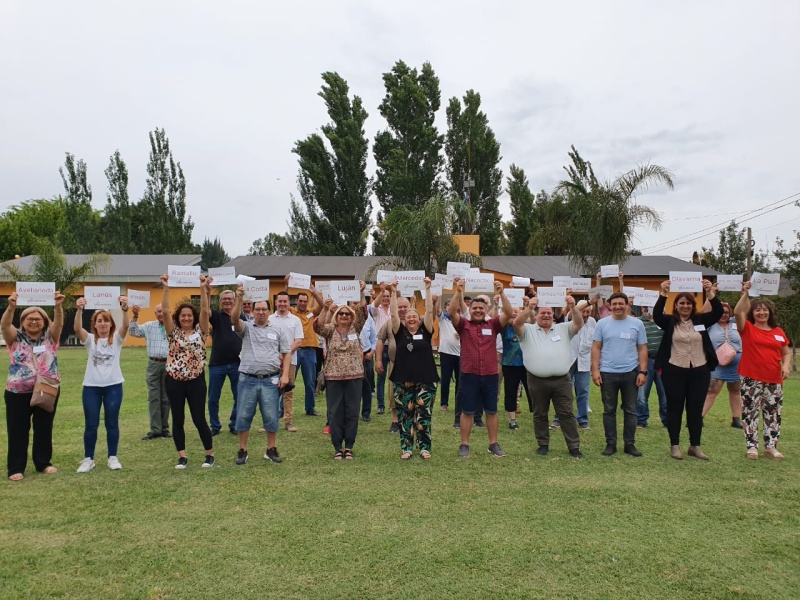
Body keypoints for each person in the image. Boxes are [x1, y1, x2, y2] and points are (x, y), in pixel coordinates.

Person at [653, 280, 722, 460]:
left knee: (695, 409)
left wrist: (710, 292)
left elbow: (718, 312)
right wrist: (664, 293)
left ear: (693, 305)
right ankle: (675, 445)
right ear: (676, 305)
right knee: (674, 408)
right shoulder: (670, 321)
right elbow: (657, 315)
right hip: (674, 369)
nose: (685, 306)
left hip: (699, 370)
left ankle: (695, 446)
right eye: (682, 303)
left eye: (689, 303)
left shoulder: (701, 320)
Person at [2, 290, 65, 481]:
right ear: (23, 321)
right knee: (17, 429)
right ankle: (16, 467)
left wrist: (58, 307)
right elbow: (5, 325)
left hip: (46, 388)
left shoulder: (50, 337)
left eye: (38, 319)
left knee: (44, 427)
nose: (34, 322)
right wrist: (11, 307)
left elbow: (59, 323)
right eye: (30, 318)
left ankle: (43, 463)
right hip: (17, 392)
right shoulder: (15, 337)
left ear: (44, 322)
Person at [449, 277, 513, 458]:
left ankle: (493, 444)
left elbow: (508, 313)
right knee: (467, 411)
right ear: (469, 310)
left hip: (490, 374)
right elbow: (452, 311)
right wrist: (458, 291)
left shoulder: (493, 324)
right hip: (469, 374)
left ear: (486, 310)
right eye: (474, 308)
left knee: (491, 411)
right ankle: (464, 444)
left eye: (481, 308)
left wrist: (501, 292)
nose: (478, 310)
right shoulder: (463, 325)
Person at [514, 293, 584, 458]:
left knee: (566, 414)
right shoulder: (527, 330)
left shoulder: (563, 328)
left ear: (553, 315)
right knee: (540, 413)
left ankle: (574, 446)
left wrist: (573, 307)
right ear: (536, 315)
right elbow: (517, 323)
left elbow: (579, 323)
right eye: (542, 313)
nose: (546, 315)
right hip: (537, 380)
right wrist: (529, 308)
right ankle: (543, 444)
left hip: (562, 380)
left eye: (549, 313)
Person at [230, 285, 291, 465]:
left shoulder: (278, 330)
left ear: (269, 311)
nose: (261, 312)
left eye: (264, 309)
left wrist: (285, 375)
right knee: (243, 415)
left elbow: (287, 353)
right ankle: (242, 450)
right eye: (257, 309)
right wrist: (239, 298)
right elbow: (234, 319)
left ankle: (271, 450)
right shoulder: (246, 327)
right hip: (247, 379)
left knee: (271, 416)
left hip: (270, 380)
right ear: (252, 311)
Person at [161, 273, 215, 469]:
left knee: (199, 418)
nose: (186, 318)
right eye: (183, 315)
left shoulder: (202, 331)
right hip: (174, 381)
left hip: (196, 381)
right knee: (178, 419)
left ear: (194, 317)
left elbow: (205, 310)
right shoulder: (172, 332)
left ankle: (209, 455)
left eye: (189, 315)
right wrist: (166, 288)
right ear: (178, 317)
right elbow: (165, 311)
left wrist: (202, 288)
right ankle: (182, 457)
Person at [734, 282, 791, 460]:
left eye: (765, 310)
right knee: (750, 411)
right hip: (751, 376)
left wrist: (786, 365)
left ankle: (771, 447)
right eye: (757, 310)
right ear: (752, 313)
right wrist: (746, 294)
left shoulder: (778, 331)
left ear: (770, 313)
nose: (761, 313)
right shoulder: (747, 329)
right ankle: (752, 446)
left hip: (774, 378)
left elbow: (786, 352)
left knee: (773, 412)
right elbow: (737, 312)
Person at [73, 295, 131, 472]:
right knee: (91, 424)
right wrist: (79, 310)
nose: (103, 324)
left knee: (111, 423)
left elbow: (126, 326)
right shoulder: (90, 340)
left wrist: (125, 309)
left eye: (106, 320)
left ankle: (112, 457)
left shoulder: (117, 339)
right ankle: (88, 459)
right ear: (95, 324)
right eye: (99, 321)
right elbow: (77, 329)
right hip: (91, 388)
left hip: (113, 387)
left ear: (111, 324)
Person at [314, 281, 368, 460]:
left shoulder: (355, 327)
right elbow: (317, 326)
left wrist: (361, 292)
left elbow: (363, 313)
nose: (344, 316)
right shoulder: (330, 330)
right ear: (336, 316)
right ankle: (338, 447)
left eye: (347, 314)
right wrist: (325, 308)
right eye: (341, 313)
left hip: (354, 377)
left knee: (352, 412)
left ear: (351, 317)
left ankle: (349, 447)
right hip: (333, 378)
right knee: (335, 413)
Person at [591, 292, 648, 457]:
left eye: (621, 303)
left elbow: (642, 348)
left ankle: (629, 444)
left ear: (627, 305)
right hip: (607, 373)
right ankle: (611, 444)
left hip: (631, 373)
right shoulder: (602, 324)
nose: (617, 307)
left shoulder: (637, 324)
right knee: (609, 410)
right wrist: (595, 370)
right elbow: (596, 347)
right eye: (614, 304)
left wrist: (643, 371)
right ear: (610, 305)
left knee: (630, 410)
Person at [389, 278, 438, 459]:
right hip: (403, 380)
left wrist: (427, 289)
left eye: (414, 316)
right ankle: (407, 448)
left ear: (419, 319)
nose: (411, 318)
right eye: (408, 316)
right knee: (405, 415)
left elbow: (430, 311)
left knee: (424, 414)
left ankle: (424, 447)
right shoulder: (399, 332)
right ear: (405, 319)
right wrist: (393, 292)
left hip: (426, 380)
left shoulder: (426, 330)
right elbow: (393, 314)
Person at [129, 303, 172, 440]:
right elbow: (133, 331)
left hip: (170, 364)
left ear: (169, 312)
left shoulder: (174, 326)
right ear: (155, 314)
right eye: (158, 311)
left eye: (163, 311)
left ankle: (165, 428)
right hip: (154, 364)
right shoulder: (149, 326)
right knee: (154, 397)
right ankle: (155, 429)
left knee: (166, 397)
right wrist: (135, 316)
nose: (161, 313)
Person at [283, 278, 324, 416]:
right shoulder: (292, 312)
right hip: (293, 351)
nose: (302, 303)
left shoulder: (312, 313)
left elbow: (322, 306)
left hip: (310, 351)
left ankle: (310, 409)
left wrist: (314, 293)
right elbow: (283, 301)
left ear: (307, 302)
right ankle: (282, 409)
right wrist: (287, 285)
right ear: (296, 301)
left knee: (310, 382)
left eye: (305, 301)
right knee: (287, 381)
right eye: (300, 301)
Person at [702, 301, 744, 429]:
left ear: (730, 313)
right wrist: (710, 296)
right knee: (711, 390)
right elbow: (703, 312)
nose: (723, 315)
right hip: (717, 364)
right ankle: (699, 417)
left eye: (726, 312)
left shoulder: (735, 323)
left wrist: (744, 296)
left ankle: (736, 419)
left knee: (735, 390)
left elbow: (742, 311)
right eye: (720, 312)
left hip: (736, 364)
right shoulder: (711, 324)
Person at [207, 289, 242, 435]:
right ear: (220, 301)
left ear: (234, 301)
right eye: (224, 299)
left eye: (230, 299)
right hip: (217, 364)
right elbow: (205, 310)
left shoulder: (240, 317)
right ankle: (215, 426)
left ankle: (234, 424)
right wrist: (206, 291)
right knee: (213, 398)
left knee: (239, 396)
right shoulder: (216, 316)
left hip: (237, 363)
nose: (227, 301)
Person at [375, 296, 412, 433]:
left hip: (413, 365)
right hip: (395, 364)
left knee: (412, 391)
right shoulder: (389, 323)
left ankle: (410, 419)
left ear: (409, 307)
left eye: (405, 306)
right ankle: (395, 421)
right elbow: (380, 340)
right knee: (393, 393)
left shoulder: (415, 322)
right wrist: (379, 360)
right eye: (399, 307)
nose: (402, 309)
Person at [269, 291, 304, 432]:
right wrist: (276, 354)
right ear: (276, 302)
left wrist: (285, 354)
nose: (282, 304)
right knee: (270, 391)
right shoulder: (269, 319)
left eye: (285, 301)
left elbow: (298, 341)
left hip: (291, 361)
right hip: (271, 361)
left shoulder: (295, 320)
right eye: (280, 301)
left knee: (288, 392)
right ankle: (269, 422)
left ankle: (288, 421)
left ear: (289, 303)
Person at [500, 299, 531, 430]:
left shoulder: (526, 327)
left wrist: (528, 306)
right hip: (509, 364)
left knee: (532, 391)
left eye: (516, 312)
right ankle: (512, 420)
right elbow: (496, 316)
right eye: (511, 312)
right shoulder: (504, 328)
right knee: (510, 392)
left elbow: (532, 319)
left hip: (528, 364)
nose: (513, 314)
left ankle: (538, 416)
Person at [635, 307, 668, 429]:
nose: (649, 309)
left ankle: (667, 420)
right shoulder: (638, 322)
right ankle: (641, 420)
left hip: (662, 362)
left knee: (665, 392)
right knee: (642, 393)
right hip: (645, 361)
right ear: (642, 308)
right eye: (646, 306)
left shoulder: (663, 321)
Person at [568, 299, 595, 429]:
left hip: (584, 360)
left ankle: (582, 419)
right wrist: (588, 302)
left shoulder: (593, 322)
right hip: (569, 360)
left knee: (583, 391)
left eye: (588, 311)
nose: (585, 314)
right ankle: (560, 418)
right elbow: (572, 312)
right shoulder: (570, 320)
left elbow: (594, 343)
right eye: (583, 311)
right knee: (564, 391)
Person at [437, 295, 465, 414]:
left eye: (452, 305)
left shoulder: (461, 320)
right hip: (446, 352)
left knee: (460, 379)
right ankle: (444, 404)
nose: (450, 307)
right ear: (445, 308)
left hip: (460, 353)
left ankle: (459, 404)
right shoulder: (443, 318)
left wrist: (462, 334)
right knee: (445, 379)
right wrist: (438, 295)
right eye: (448, 305)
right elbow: (437, 309)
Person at [370, 286, 393, 414]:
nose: (385, 298)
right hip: (381, 346)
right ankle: (381, 405)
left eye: (387, 296)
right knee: (381, 377)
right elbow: (374, 305)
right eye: (383, 296)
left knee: (395, 376)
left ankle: (394, 403)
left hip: (393, 345)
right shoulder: (376, 309)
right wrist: (382, 291)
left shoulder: (393, 309)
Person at [357, 301, 377, 422]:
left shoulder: (369, 319)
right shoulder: (347, 316)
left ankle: (366, 412)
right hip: (353, 356)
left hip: (366, 355)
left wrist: (372, 352)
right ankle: (353, 412)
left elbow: (374, 338)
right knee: (353, 386)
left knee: (367, 385)